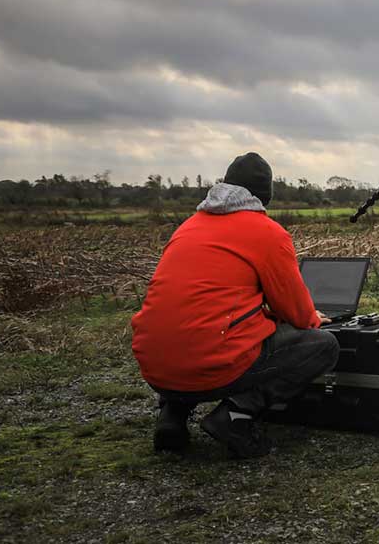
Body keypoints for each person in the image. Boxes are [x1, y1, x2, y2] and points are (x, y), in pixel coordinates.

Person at [131, 152, 339, 458]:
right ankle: (235, 416)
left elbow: (201, 302)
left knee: (188, 330)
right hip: (212, 367)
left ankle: (172, 417)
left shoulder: (188, 227)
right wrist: (312, 317)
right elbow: (296, 312)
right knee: (323, 345)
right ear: (264, 196)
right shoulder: (267, 232)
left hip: (155, 367)